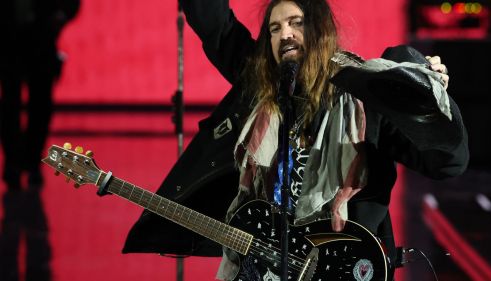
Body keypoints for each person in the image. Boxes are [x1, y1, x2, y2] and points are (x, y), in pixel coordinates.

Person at [123, 0, 469, 280]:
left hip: (341, 269)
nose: (284, 34)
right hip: (259, 269)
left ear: (320, 30)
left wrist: (429, 105)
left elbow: (446, 162)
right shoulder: (259, 86)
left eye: (295, 23)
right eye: (274, 29)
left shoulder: (368, 101)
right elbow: (215, 24)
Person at [0, 0, 80, 190]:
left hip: (40, 42)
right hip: (10, 42)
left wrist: (62, 15)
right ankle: (15, 161)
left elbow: (70, 5)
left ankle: (30, 161)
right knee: (11, 106)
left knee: (39, 107)